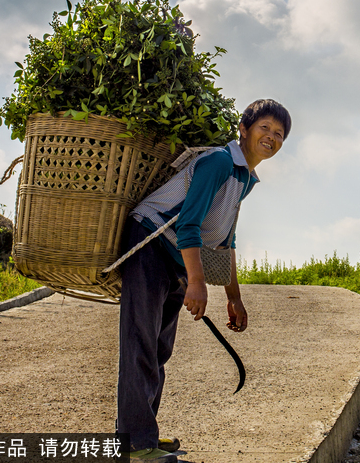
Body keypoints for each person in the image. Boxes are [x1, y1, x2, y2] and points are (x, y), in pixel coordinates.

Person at [116, 99, 291, 462]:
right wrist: (196, 282)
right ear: (243, 129)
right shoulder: (218, 162)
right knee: (141, 344)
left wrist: (234, 297)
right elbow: (188, 224)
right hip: (150, 241)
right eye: (265, 128)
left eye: (279, 133)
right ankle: (135, 446)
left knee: (159, 349)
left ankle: (144, 434)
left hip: (174, 254)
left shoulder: (245, 178)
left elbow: (226, 241)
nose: (271, 137)